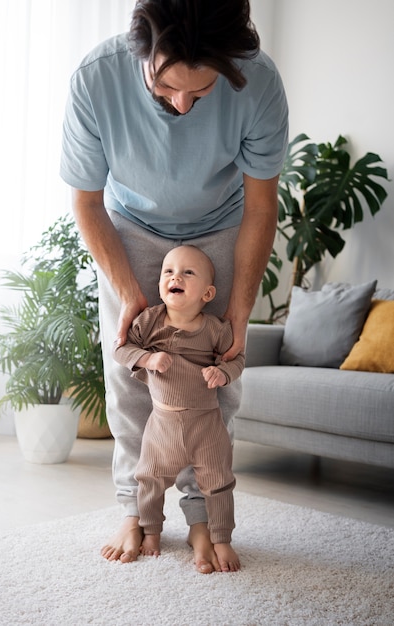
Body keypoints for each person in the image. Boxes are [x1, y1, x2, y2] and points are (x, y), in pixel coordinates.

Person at [60, 0, 288, 574]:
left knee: (218, 376)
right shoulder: (95, 79)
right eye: (166, 90)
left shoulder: (258, 81)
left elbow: (262, 205)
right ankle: (136, 511)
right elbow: (86, 201)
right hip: (129, 225)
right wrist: (130, 293)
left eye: (201, 94)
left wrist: (238, 308)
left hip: (221, 224)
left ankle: (204, 516)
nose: (183, 106)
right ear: (143, 56)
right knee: (129, 374)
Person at [113, 245, 245, 571]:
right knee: (150, 480)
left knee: (218, 481)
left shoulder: (215, 328)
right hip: (162, 425)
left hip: (206, 424)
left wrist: (223, 372)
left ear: (208, 293)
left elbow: (237, 359)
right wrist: (146, 358)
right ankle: (151, 531)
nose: (176, 277)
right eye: (168, 271)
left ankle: (220, 537)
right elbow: (121, 350)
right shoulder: (149, 320)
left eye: (188, 272)